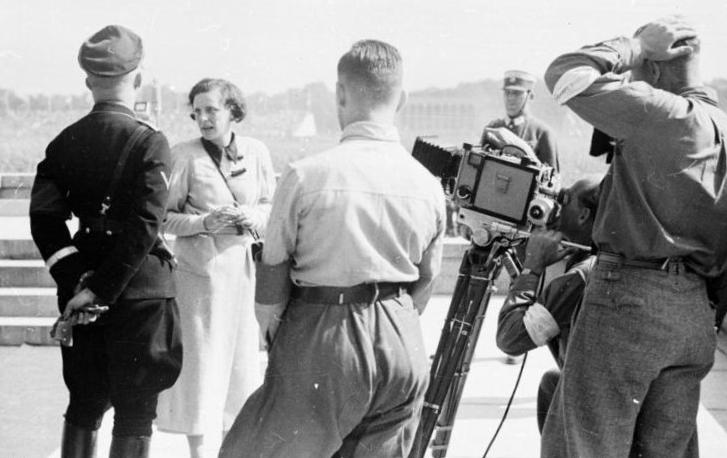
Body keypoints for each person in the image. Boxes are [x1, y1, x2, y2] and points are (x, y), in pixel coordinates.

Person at [219, 39, 446, 458]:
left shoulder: (306, 175)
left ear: (340, 94)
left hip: (324, 333)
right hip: (402, 339)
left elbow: (273, 275)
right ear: (401, 100)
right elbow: (428, 276)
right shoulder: (428, 185)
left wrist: (283, 339)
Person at [541, 16, 727, 457]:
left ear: (656, 71)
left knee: (586, 447)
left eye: (638, 70)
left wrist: (633, 46)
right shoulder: (719, 123)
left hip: (628, 303)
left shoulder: (658, 111)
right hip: (694, 313)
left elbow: (564, 74)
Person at [29, 25, 182, 458]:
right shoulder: (151, 142)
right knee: (136, 414)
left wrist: (79, 281)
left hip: (80, 297)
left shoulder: (63, 143)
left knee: (83, 404)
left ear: (87, 81)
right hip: (141, 294)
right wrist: (104, 287)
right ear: (137, 78)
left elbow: (44, 219)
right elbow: (146, 225)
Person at [155, 78, 276, 457]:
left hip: (242, 276)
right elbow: (163, 218)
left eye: (212, 109)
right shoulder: (184, 156)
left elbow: (272, 207)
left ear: (233, 111)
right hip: (198, 279)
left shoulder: (256, 152)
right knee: (202, 369)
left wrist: (251, 215)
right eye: (197, 110)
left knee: (241, 369)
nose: (203, 118)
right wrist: (204, 223)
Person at [495, 178, 599, 433]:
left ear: (584, 215)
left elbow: (511, 339)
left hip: (594, 403)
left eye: (566, 201)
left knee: (553, 384)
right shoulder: (594, 257)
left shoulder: (582, 275)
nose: (558, 209)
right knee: (552, 382)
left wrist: (532, 267)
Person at [481, 70, 560, 170]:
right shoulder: (492, 128)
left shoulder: (542, 133)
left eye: (517, 93)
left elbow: (553, 179)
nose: (510, 98)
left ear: (530, 95)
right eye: (507, 92)